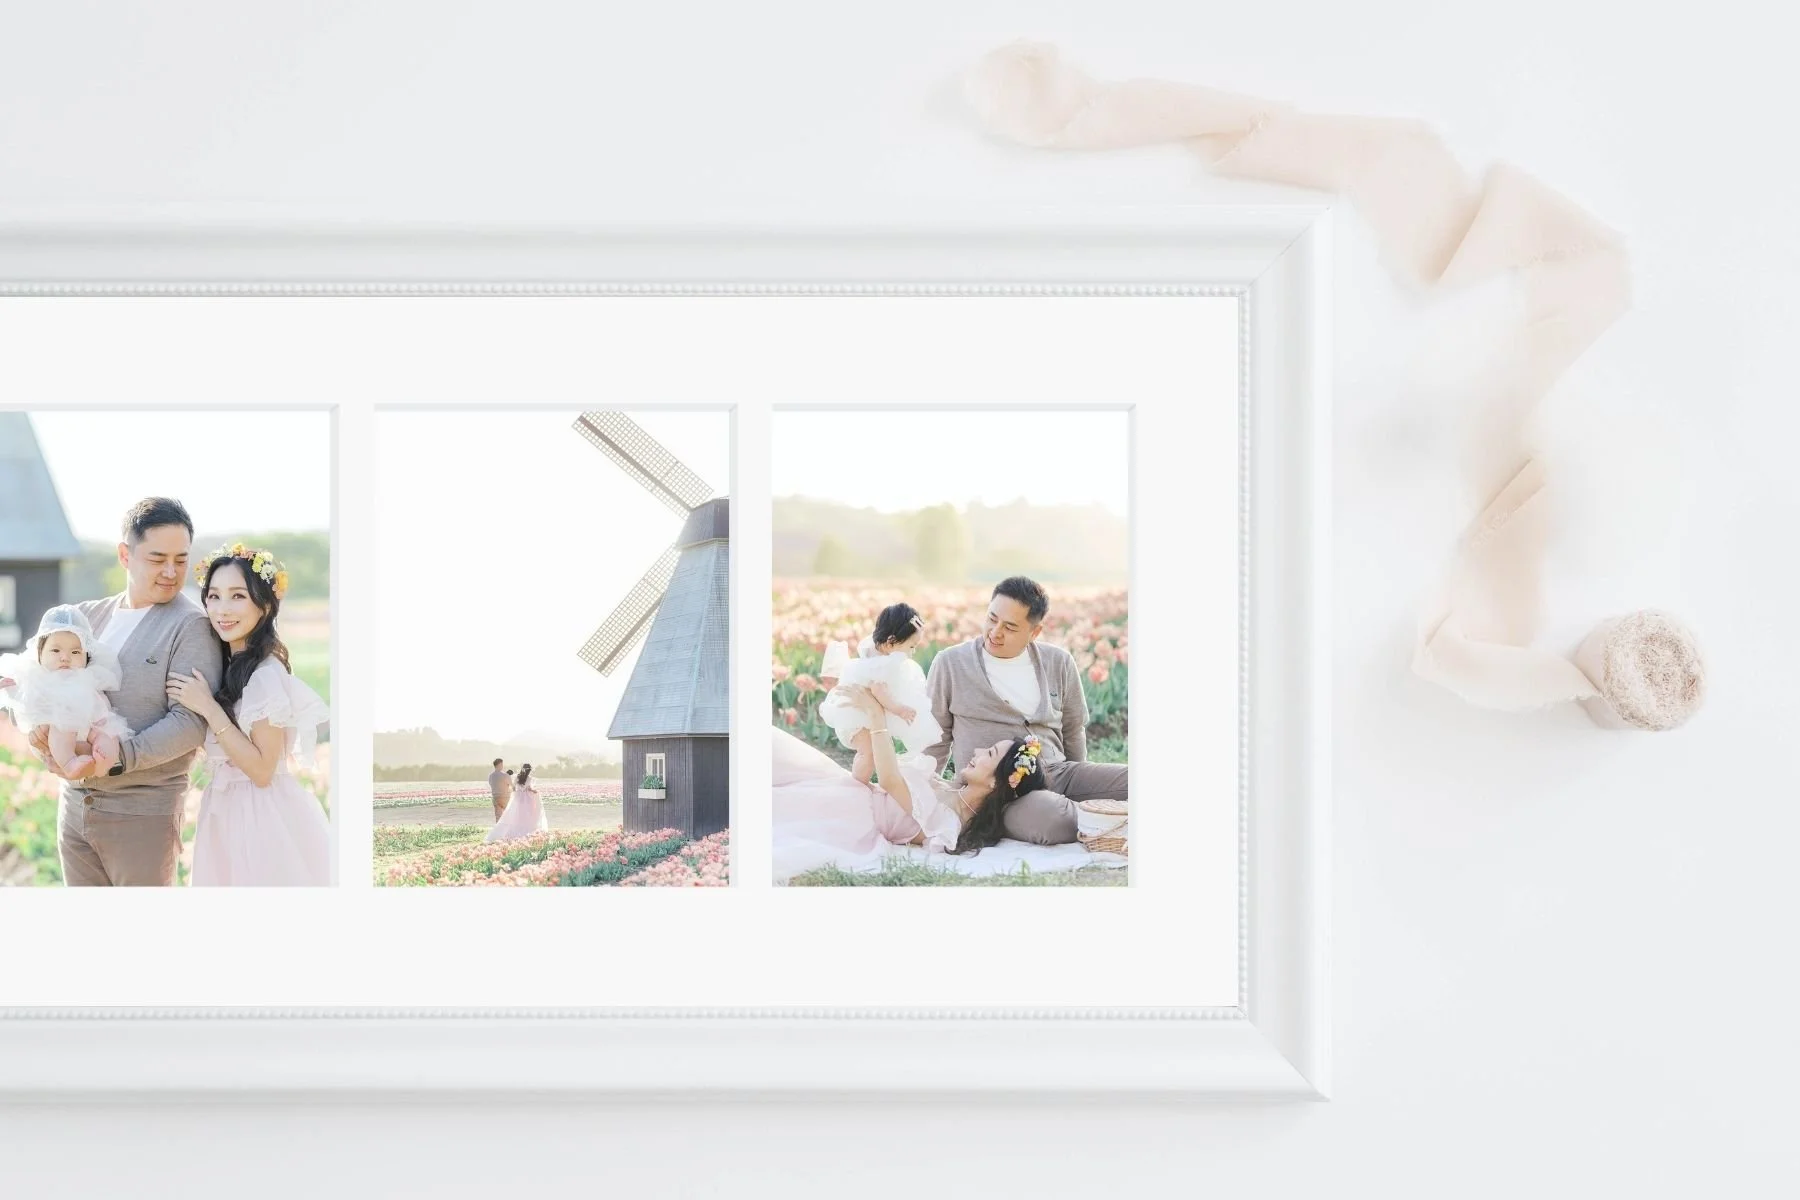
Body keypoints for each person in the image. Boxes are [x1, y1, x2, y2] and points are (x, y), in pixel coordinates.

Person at [27, 498, 223, 887]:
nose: (171, 572)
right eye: (157, 558)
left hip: (141, 814)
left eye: (181, 559)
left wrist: (118, 759)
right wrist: (41, 737)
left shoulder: (192, 627)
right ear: (125, 555)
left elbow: (189, 721)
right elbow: (44, 684)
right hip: (75, 807)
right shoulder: (85, 618)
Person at [769, 683, 1080, 879]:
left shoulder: (949, 824)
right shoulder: (948, 790)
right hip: (851, 792)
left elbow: (891, 780)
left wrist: (877, 717)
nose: (977, 751)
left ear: (997, 783)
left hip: (852, 816)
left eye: (990, 754)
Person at [166, 542, 330, 886]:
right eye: (214, 596)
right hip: (225, 812)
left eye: (238, 596)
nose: (223, 609)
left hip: (259, 818)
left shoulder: (264, 675)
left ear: (265, 605)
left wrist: (209, 708)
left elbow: (261, 770)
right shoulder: (230, 667)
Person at [923, 575, 1127, 846]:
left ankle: (1095, 818)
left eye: (1009, 626)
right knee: (1052, 817)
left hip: (1058, 771)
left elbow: (1073, 729)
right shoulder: (951, 663)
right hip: (997, 792)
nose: (995, 632)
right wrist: (922, 792)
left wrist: (1083, 788)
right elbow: (933, 737)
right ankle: (1102, 822)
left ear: (1034, 632)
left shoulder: (1058, 662)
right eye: (992, 619)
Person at [815, 602, 943, 783]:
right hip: (855, 717)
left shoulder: (878, 651)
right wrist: (899, 709)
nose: (913, 653)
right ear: (891, 642)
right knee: (868, 753)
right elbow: (878, 690)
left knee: (873, 752)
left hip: (864, 715)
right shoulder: (883, 665)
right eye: (911, 646)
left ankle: (860, 782)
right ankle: (857, 785)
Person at [0, 606, 133, 778]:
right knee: (62, 726)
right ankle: (70, 763)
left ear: (87, 657)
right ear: (40, 655)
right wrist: (13, 686)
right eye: (55, 651)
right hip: (61, 726)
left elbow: (99, 704)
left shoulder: (88, 678)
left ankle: (102, 763)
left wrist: (101, 733)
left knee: (108, 737)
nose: (65, 657)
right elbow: (25, 696)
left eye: (76, 652)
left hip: (92, 725)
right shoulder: (40, 678)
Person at [485, 761, 548, 843]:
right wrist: (534, 791)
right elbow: (529, 788)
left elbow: (514, 787)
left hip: (518, 798)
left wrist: (516, 793)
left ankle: (511, 829)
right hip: (527, 799)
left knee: (517, 814)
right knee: (526, 815)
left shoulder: (517, 777)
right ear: (529, 770)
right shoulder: (529, 778)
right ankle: (526, 831)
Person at [488, 757, 514, 822]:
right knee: (508, 815)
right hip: (504, 797)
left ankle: (498, 830)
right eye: (502, 764)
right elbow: (512, 786)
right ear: (500, 765)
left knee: (498, 816)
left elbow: (492, 785)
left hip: (495, 797)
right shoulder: (505, 775)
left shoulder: (491, 776)